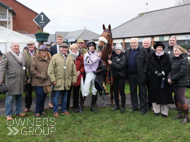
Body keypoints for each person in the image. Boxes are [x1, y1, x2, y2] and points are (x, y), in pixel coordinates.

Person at [48, 43, 77, 117]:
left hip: (67, 81)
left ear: (67, 49)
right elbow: (50, 70)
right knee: (56, 97)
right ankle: (55, 111)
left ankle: (64, 110)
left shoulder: (70, 57)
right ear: (60, 48)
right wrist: (53, 79)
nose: (64, 49)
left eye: (65, 48)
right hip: (57, 80)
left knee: (65, 96)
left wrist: (73, 80)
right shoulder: (55, 57)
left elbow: (74, 69)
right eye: (62, 47)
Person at [0, 42, 27, 121]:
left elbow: (25, 66)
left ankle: (18, 112)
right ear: (11, 47)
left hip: (21, 80)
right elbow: (1, 68)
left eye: (17, 46)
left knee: (19, 97)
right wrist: (0, 80)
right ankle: (8, 114)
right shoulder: (6, 55)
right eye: (14, 46)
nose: (16, 47)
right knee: (9, 99)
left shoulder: (22, 55)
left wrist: (27, 77)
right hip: (11, 80)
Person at [149, 41, 173, 117]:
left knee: (164, 95)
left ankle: (164, 112)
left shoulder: (166, 56)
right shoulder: (152, 55)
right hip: (154, 78)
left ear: (162, 48)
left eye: (160, 47)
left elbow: (168, 65)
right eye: (158, 47)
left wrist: (163, 72)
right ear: (155, 48)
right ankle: (156, 110)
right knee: (154, 94)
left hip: (163, 78)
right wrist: (155, 72)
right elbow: (150, 66)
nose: (159, 49)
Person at [125, 38, 148, 115]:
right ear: (130, 44)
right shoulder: (128, 51)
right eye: (132, 43)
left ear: (137, 43)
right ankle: (135, 106)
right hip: (131, 75)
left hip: (140, 75)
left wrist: (144, 71)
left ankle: (143, 108)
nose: (133, 44)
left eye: (134, 43)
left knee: (142, 92)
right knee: (133, 91)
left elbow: (147, 62)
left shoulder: (142, 51)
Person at [168, 45, 189, 123]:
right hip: (175, 82)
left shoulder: (184, 60)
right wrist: (169, 78)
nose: (176, 52)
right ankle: (180, 114)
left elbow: (182, 72)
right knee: (177, 98)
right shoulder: (173, 60)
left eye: (177, 50)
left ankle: (186, 117)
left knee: (182, 98)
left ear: (181, 51)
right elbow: (171, 70)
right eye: (175, 50)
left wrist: (172, 79)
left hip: (181, 82)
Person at [79, 40, 102, 114]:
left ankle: (92, 107)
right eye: (90, 46)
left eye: (93, 46)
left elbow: (100, 63)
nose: (92, 48)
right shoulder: (86, 55)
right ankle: (80, 107)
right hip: (89, 74)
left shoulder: (97, 53)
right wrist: (97, 57)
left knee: (95, 90)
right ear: (88, 47)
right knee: (86, 90)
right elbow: (90, 62)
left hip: (96, 74)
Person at [30, 45, 52, 117]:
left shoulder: (49, 59)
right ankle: (37, 111)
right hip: (38, 81)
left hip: (47, 81)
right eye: (42, 51)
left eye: (45, 51)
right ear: (39, 51)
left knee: (44, 96)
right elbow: (32, 70)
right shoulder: (35, 59)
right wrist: (40, 75)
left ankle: (41, 110)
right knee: (40, 95)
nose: (44, 52)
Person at [108, 43, 127, 113]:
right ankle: (117, 105)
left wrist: (112, 63)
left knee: (122, 92)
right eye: (116, 49)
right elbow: (109, 61)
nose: (118, 51)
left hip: (121, 77)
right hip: (114, 77)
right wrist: (110, 58)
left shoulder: (123, 57)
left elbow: (120, 67)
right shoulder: (113, 56)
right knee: (115, 92)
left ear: (121, 50)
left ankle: (123, 106)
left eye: (119, 49)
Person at [67, 44, 84, 113]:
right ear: (70, 50)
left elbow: (84, 66)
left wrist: (80, 71)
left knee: (76, 93)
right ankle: (66, 107)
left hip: (78, 77)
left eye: (76, 49)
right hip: (69, 77)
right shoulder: (67, 57)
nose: (74, 50)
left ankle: (75, 106)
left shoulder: (81, 57)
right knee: (68, 93)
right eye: (73, 49)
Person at [49, 35, 64, 108]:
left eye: (60, 39)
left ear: (62, 40)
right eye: (58, 39)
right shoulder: (52, 48)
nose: (59, 40)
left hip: (63, 70)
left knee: (61, 87)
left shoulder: (65, 48)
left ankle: (59, 101)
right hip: (54, 70)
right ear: (56, 40)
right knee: (53, 87)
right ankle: (51, 101)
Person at [23, 41, 37, 112]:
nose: (30, 46)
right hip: (28, 75)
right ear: (27, 46)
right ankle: (27, 106)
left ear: (34, 45)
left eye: (31, 44)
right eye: (28, 45)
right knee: (28, 92)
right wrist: (26, 77)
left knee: (39, 92)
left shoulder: (38, 53)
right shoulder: (23, 54)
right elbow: (23, 66)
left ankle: (41, 106)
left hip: (37, 76)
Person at [164, 36, 178, 108]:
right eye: (170, 40)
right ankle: (167, 104)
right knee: (167, 90)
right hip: (167, 73)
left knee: (177, 92)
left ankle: (178, 106)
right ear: (168, 41)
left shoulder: (178, 49)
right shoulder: (165, 49)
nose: (172, 41)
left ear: (176, 42)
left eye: (173, 40)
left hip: (176, 73)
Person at [142, 39, 155, 109]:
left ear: (150, 44)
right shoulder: (140, 51)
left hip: (151, 74)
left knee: (151, 91)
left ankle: (150, 104)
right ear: (142, 44)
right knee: (142, 91)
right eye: (145, 43)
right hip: (142, 74)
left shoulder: (153, 52)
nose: (146, 44)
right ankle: (143, 104)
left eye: (147, 43)